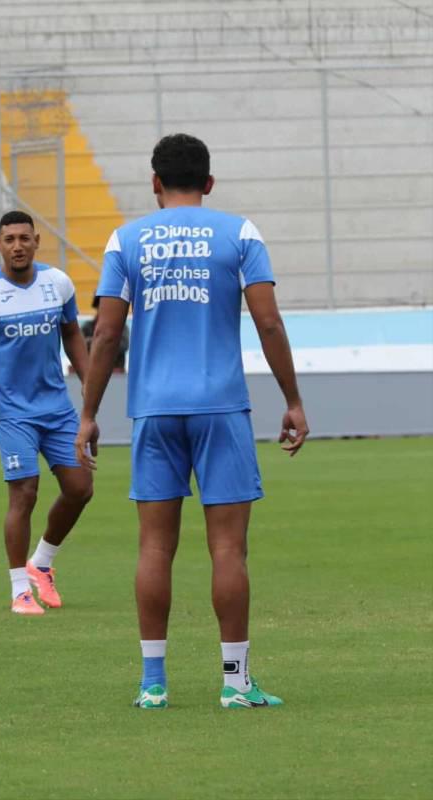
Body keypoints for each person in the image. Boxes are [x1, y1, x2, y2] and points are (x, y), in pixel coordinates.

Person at [75, 134, 309, 710]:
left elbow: (105, 333)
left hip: (153, 409)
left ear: (155, 183)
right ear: (209, 183)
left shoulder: (125, 240)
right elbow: (269, 323)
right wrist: (293, 400)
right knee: (228, 550)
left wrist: (87, 413)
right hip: (220, 407)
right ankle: (235, 683)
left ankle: (153, 683)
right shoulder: (240, 233)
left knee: (154, 548)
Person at [0, 211, 93, 616]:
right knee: (24, 493)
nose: (17, 245)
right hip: (13, 412)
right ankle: (19, 590)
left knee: (80, 488)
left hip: (57, 408)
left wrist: (89, 382)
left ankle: (42, 564)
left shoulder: (58, 284)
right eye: (9, 239)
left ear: (36, 241)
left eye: (24, 238)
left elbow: (71, 334)